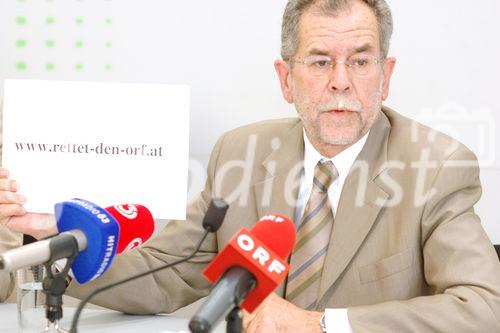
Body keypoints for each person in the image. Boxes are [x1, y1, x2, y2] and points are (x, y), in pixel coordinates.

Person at [1, 0, 500, 332]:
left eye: (362, 61)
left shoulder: (438, 166)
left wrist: (321, 324)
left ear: (386, 76)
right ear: (286, 79)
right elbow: (165, 273)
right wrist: (57, 237)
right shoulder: (241, 151)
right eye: (321, 61)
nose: (342, 82)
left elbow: (482, 306)